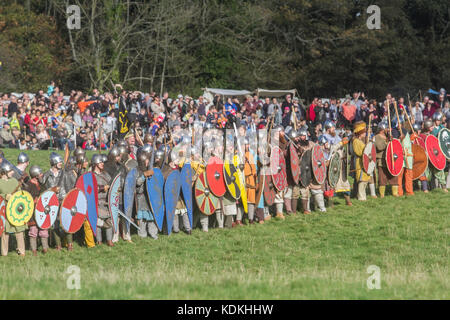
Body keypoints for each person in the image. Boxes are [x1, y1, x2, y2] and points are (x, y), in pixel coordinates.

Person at [0, 161, 27, 256]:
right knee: (5, 232)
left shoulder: (14, 181)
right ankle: (4, 253)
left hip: (15, 210)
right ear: (4, 172)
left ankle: (22, 251)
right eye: (10, 170)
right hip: (4, 210)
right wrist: (4, 196)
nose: (12, 172)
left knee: (19, 230)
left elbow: (20, 194)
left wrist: (16, 196)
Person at [24, 165, 49, 255]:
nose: (42, 175)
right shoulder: (28, 186)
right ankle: (33, 249)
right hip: (32, 212)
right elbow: (25, 199)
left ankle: (45, 248)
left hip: (42, 211)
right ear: (36, 175)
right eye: (40, 174)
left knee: (43, 230)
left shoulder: (42, 185)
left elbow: (47, 196)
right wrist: (34, 200)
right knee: (33, 230)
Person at [91, 154, 113, 246]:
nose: (102, 164)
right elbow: (90, 189)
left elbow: (111, 184)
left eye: (102, 162)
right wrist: (101, 188)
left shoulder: (106, 174)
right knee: (98, 223)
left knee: (108, 221)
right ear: (96, 163)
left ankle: (109, 240)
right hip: (96, 201)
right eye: (100, 162)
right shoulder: (91, 176)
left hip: (106, 201)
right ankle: (99, 241)